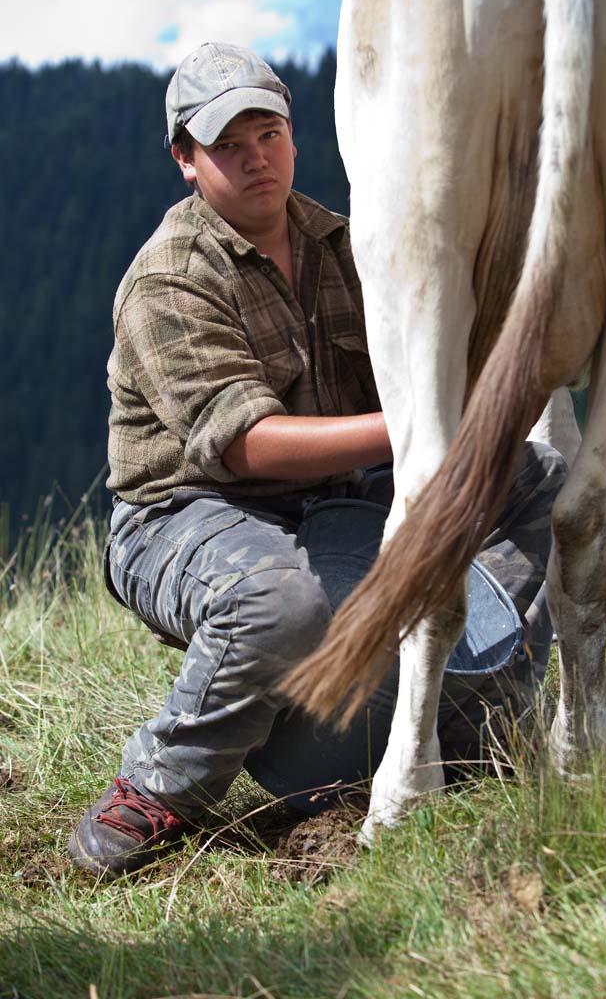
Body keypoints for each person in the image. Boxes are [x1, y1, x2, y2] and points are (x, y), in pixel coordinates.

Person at [68, 42, 566, 879]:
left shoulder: (346, 245)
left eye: (268, 133)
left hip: (333, 493)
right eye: (228, 144)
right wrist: (418, 427)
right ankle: (162, 783)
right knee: (279, 602)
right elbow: (245, 445)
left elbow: (429, 356)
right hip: (184, 513)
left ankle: (473, 718)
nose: (255, 157)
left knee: (530, 477)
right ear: (186, 161)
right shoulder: (165, 280)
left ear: (294, 137)